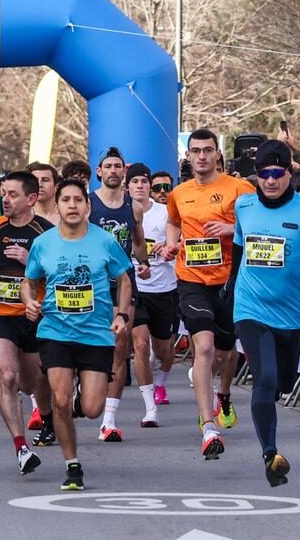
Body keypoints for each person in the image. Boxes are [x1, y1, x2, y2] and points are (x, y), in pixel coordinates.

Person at [226, 140, 300, 486]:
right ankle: (270, 454)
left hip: (290, 312)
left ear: (289, 173)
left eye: (277, 173)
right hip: (250, 306)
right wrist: (230, 289)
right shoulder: (244, 205)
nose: (271, 180)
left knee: (282, 383)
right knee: (265, 379)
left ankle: (269, 422)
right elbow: (237, 247)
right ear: (256, 176)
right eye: (264, 174)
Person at [22, 178, 134, 492]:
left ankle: (76, 401)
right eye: (66, 200)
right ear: (56, 206)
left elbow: (124, 280)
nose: (72, 205)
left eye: (78, 200)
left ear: (87, 206)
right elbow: (28, 281)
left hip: (96, 334)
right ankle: (72, 466)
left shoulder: (104, 241)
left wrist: (122, 314)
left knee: (92, 408)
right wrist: (29, 301)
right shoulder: (44, 242)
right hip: (55, 331)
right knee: (59, 401)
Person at [163, 128, 255, 460]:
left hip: (230, 279)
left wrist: (231, 228)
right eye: (196, 151)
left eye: (208, 150)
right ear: (187, 156)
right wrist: (172, 243)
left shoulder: (239, 188)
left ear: (218, 154)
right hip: (191, 278)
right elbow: (173, 222)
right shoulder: (180, 192)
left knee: (225, 353)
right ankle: (208, 425)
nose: (202, 156)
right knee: (203, 348)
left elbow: (258, 223)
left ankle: (225, 394)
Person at [0, 170, 52, 475]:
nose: (5, 199)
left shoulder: (46, 232)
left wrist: (29, 258)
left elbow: (57, 272)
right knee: (8, 376)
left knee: (33, 383)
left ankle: (46, 417)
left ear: (31, 198)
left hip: (32, 312)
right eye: (2, 192)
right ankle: (21, 448)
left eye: (13, 194)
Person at [87, 147, 147, 441]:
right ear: (99, 171)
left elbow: (137, 241)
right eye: (108, 166)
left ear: (124, 171)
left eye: (118, 166)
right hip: (89, 282)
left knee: (120, 344)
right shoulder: (87, 204)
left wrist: (144, 262)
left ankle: (109, 419)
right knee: (88, 343)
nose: (113, 170)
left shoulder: (133, 206)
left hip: (123, 280)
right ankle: (82, 388)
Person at [126, 162, 178, 428]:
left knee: (163, 349)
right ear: (128, 186)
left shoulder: (165, 212)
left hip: (163, 286)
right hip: (135, 288)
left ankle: (160, 381)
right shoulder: (122, 213)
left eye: (144, 182)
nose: (140, 186)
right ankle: (150, 408)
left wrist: (168, 248)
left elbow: (177, 243)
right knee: (141, 346)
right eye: (135, 182)